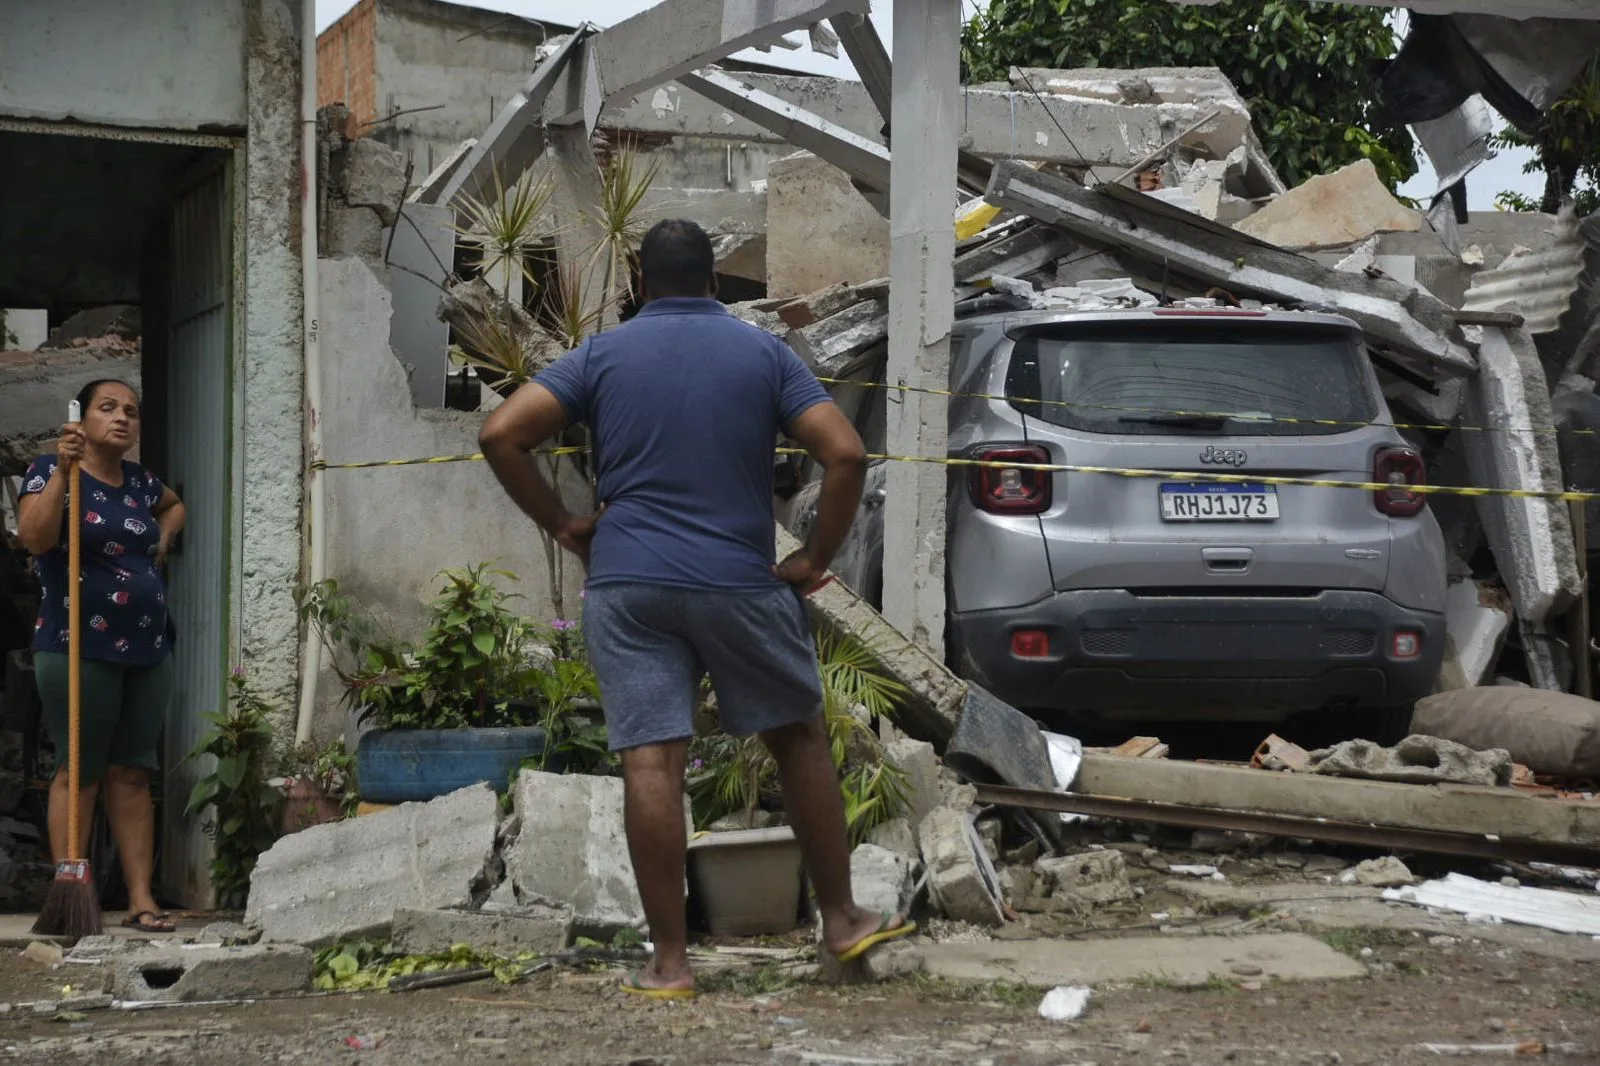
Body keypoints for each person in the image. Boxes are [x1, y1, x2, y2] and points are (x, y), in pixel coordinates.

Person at [480, 218, 914, 997]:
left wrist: (566, 524)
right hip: (738, 580)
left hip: (628, 584)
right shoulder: (763, 352)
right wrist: (815, 557)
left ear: (640, 285)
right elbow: (845, 452)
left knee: (652, 761)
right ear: (715, 282)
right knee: (800, 740)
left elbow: (502, 434)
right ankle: (842, 920)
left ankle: (671, 964)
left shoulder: (600, 356)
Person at [16, 379, 187, 932]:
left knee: (133, 772)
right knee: (80, 769)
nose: (122, 419)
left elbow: (175, 505)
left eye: (130, 412)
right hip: (75, 644)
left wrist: (161, 541)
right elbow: (35, 539)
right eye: (107, 408)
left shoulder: (140, 482)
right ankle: (73, 889)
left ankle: (142, 899)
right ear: (82, 419)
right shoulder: (49, 470)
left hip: (146, 644)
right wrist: (65, 474)